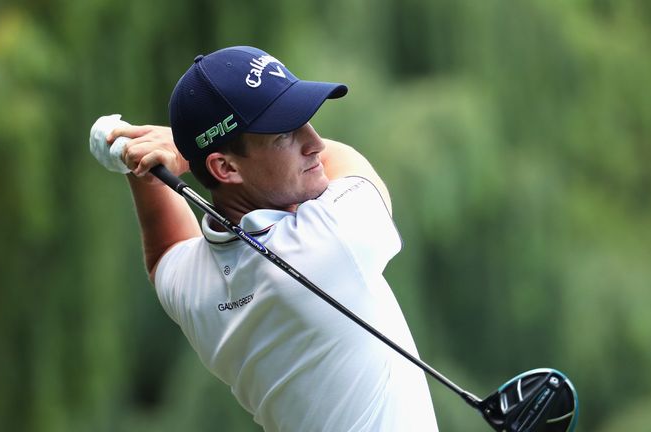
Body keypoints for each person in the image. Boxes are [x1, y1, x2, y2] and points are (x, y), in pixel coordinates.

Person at [101, 46, 438, 431]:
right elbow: (345, 164)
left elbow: (164, 253)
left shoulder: (196, 288)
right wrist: (174, 151)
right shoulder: (328, 243)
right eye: (284, 133)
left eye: (306, 121)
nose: (315, 142)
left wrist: (148, 168)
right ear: (224, 167)